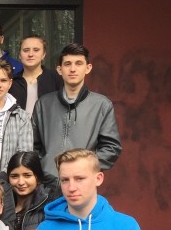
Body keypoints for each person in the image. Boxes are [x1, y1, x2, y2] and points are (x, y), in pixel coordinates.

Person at [32, 43, 122, 177]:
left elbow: (111, 148)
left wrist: (84, 168)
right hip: (47, 185)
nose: (72, 69)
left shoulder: (102, 105)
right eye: (67, 64)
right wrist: (45, 166)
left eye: (78, 63)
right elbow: (32, 145)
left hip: (83, 182)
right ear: (59, 69)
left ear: (88, 68)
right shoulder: (43, 104)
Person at [4, 151, 60, 230]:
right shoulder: (2, 205)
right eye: (14, 176)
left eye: (27, 175)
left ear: (37, 177)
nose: (21, 182)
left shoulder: (48, 206)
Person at [11, 35, 62, 114]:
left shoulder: (55, 78)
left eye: (36, 50)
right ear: (19, 55)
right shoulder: (11, 81)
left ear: (43, 54)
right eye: (26, 50)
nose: (30, 54)